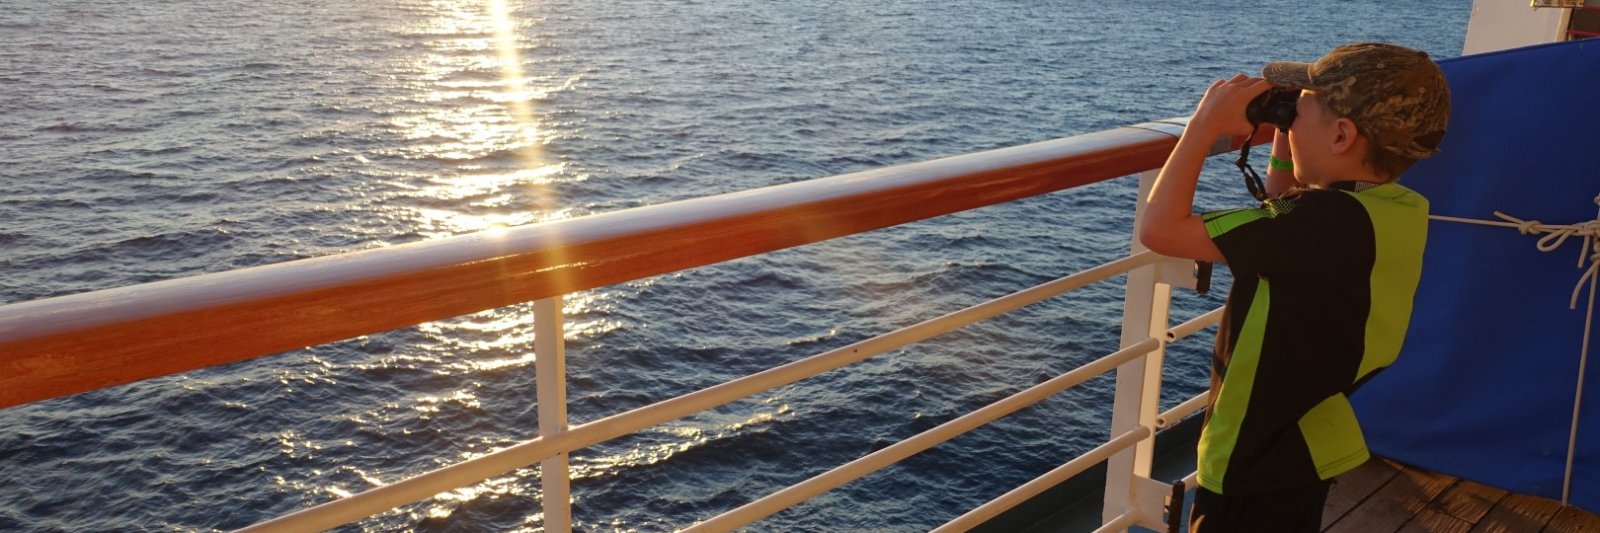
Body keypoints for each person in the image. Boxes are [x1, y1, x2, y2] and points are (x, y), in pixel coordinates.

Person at [1138, 42, 1452, 533]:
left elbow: (1160, 229)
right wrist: (1291, 136)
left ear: (1343, 135)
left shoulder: (1315, 223)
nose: (1288, 119)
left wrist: (1202, 127)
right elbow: (1290, 207)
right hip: (1310, 436)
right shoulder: (1397, 208)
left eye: (1297, 110)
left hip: (1252, 454)